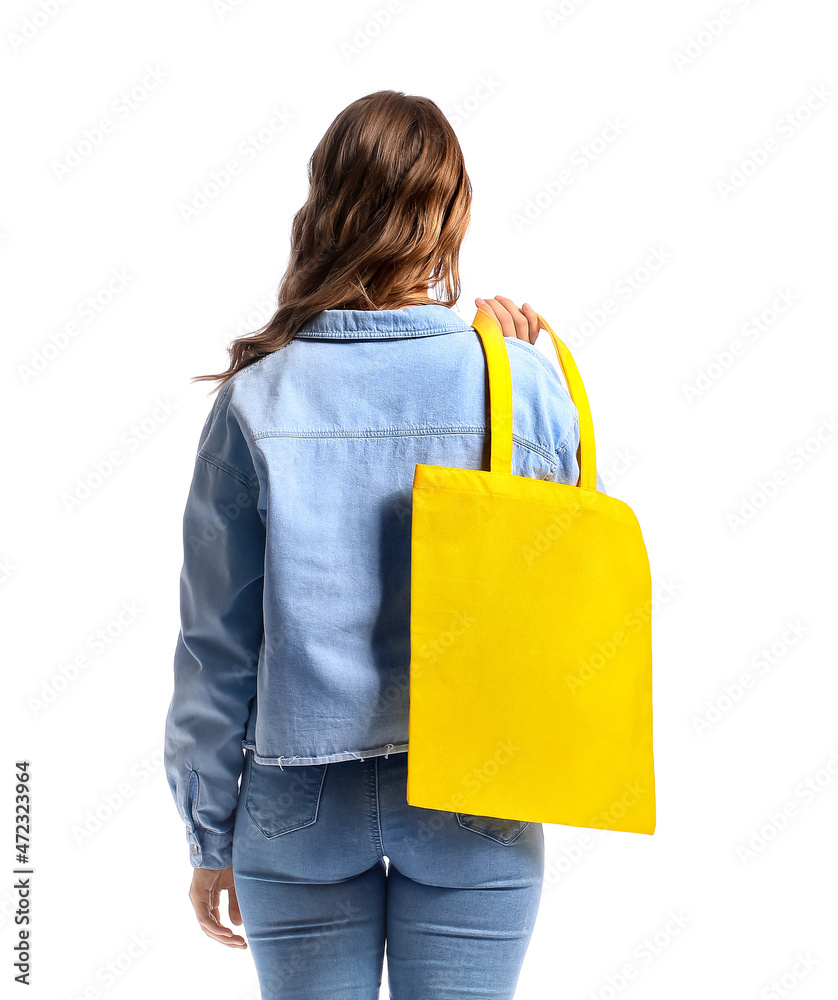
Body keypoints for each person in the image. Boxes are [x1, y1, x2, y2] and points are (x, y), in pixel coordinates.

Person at [163, 89, 604, 999]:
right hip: (477, 793)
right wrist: (527, 377)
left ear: (323, 203)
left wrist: (210, 835)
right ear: (454, 211)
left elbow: (215, 648)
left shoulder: (257, 398)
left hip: (296, 800)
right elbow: (564, 579)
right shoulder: (516, 382)